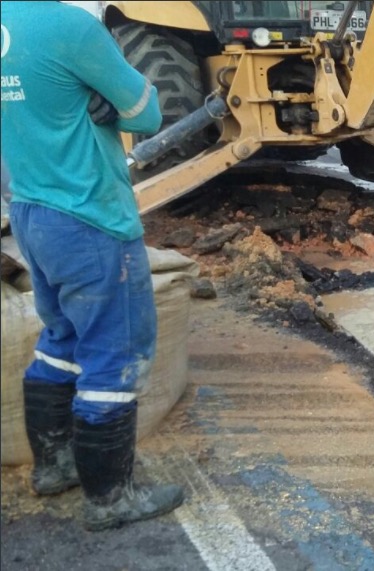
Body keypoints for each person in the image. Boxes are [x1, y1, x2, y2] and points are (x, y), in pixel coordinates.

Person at [0, 2, 185, 531]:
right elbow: (147, 114)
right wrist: (107, 101)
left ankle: (55, 465)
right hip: (88, 216)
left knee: (61, 335)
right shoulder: (68, 25)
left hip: (30, 213)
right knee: (116, 351)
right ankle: (110, 499)